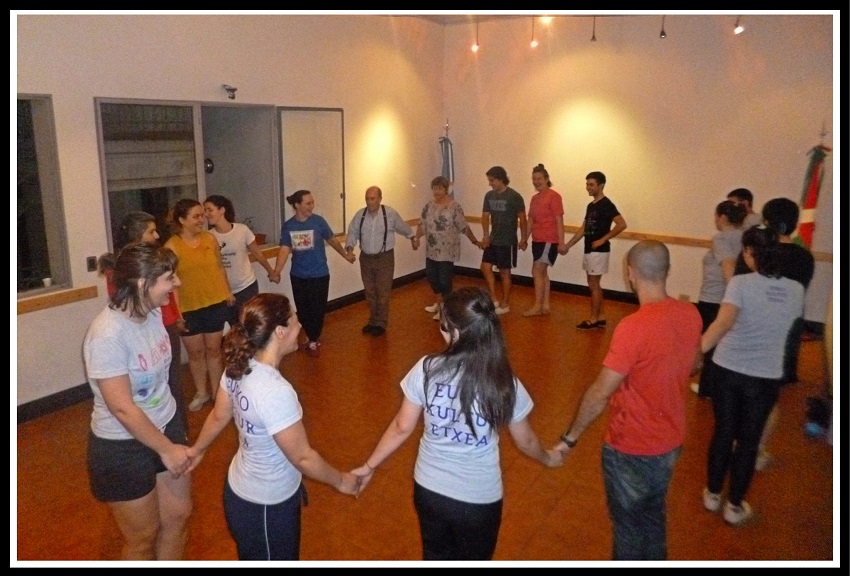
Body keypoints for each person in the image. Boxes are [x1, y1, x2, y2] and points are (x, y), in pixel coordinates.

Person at [352, 287, 562, 560]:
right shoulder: (503, 380)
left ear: (456, 331)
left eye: (443, 325)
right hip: (477, 499)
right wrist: (548, 459)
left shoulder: (427, 368)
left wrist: (369, 466)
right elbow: (527, 441)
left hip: (429, 491)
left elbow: (402, 427)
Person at [553, 240, 702, 560]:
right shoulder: (690, 312)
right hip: (671, 440)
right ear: (669, 271)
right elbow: (696, 363)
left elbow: (600, 393)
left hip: (631, 447)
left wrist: (569, 439)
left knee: (628, 528)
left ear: (630, 273)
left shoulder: (633, 328)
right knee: (653, 516)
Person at [186, 293, 360, 560]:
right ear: (279, 332)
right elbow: (302, 457)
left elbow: (220, 416)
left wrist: (197, 450)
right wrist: (342, 481)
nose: (299, 325)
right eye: (293, 320)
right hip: (265, 507)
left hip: (242, 492)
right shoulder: (275, 391)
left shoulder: (238, 365)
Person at [83, 242, 192, 560]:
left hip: (166, 424)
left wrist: (173, 434)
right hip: (122, 445)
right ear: (143, 284)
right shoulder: (107, 334)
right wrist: (166, 449)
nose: (177, 284)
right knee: (143, 537)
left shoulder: (155, 313)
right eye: (170, 278)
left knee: (178, 518)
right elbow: (122, 407)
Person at [700, 226, 805, 526]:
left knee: (723, 432)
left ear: (748, 252)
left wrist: (696, 352)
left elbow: (722, 324)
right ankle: (734, 507)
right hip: (765, 376)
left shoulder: (741, 284)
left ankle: (712, 494)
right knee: (749, 441)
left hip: (727, 370)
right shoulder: (796, 290)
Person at [98, 211, 189, 431]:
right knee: (152, 380)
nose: (157, 235)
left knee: (171, 378)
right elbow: (124, 304)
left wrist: (174, 316)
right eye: (151, 231)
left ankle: (177, 427)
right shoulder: (109, 331)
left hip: (163, 324)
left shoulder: (156, 269)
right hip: (144, 331)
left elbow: (165, 299)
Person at [749, 197, 816, 470]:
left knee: (746, 389)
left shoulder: (762, 252)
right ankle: (758, 449)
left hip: (754, 326)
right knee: (769, 394)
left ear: (766, 220)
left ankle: (742, 444)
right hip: (787, 329)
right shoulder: (804, 257)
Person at [164, 198, 234, 412]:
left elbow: (220, 268)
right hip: (189, 308)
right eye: (196, 216)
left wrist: (227, 292)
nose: (202, 219)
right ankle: (201, 392)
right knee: (196, 354)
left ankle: (216, 392)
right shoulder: (172, 246)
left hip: (214, 302)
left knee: (214, 350)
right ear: (182, 220)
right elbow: (172, 284)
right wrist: (177, 313)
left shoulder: (210, 239)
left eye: (203, 215)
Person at [271, 189, 356, 357]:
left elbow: (332, 240)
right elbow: (284, 249)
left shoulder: (319, 222)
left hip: (319, 274)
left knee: (318, 309)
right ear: (297, 205)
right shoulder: (289, 226)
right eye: (308, 203)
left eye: (312, 202)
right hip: (298, 275)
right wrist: (276, 271)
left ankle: (313, 338)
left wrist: (346, 255)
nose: (312, 206)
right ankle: (311, 336)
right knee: (303, 310)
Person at [690, 200, 747, 398]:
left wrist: (733, 292)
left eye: (716, 215)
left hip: (714, 298)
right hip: (726, 298)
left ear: (722, 217)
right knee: (723, 343)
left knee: (710, 343)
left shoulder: (722, 238)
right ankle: (718, 386)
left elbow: (728, 265)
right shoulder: (744, 237)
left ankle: (708, 387)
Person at [345, 185, 418, 337]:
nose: (369, 202)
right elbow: (352, 232)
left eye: (372, 198)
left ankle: (381, 322)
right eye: (367, 198)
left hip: (385, 258)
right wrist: (350, 249)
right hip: (365, 258)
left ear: (380, 199)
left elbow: (403, 227)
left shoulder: (389, 214)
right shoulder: (360, 215)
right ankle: (372, 320)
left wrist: (412, 237)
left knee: (383, 291)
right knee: (370, 291)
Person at [563, 171, 627, 329]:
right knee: (594, 284)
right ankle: (601, 316)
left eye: (591, 184)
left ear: (601, 185)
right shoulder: (591, 206)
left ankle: (594, 319)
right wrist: (568, 245)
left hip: (599, 251)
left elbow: (621, 224)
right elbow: (584, 228)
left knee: (593, 284)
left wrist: (603, 239)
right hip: (590, 249)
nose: (588, 188)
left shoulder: (607, 204)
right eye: (587, 184)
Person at [204, 195, 277, 326]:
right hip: (224, 290)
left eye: (210, 210)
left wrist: (271, 271)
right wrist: (225, 291)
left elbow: (257, 253)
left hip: (246, 286)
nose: (206, 214)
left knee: (249, 323)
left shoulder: (242, 230)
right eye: (205, 211)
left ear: (222, 210)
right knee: (235, 327)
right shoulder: (209, 236)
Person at [416, 176, 481, 320]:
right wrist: (416, 238)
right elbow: (422, 224)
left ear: (446, 189)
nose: (436, 191)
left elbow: (463, 226)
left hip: (447, 250)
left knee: (445, 280)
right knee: (432, 276)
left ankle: (444, 308)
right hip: (432, 249)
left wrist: (474, 241)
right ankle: (439, 302)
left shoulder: (454, 206)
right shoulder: (428, 206)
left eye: (440, 188)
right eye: (434, 188)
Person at [479, 166, 528, 316]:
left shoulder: (514, 196)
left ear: (500, 179)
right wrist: (486, 235)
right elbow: (485, 217)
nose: (490, 183)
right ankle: (493, 298)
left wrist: (524, 238)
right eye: (489, 180)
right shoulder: (489, 196)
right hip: (493, 239)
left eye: (492, 180)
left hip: (507, 241)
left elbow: (522, 219)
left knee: (505, 272)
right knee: (485, 267)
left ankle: (505, 303)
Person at [523, 164, 566, 317]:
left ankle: (537, 305)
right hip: (537, 239)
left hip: (549, 239)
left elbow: (559, 219)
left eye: (539, 179)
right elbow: (530, 220)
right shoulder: (534, 198)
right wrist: (524, 239)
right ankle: (545, 305)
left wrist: (561, 242)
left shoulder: (554, 196)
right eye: (534, 179)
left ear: (547, 179)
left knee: (537, 270)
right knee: (543, 273)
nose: (536, 182)